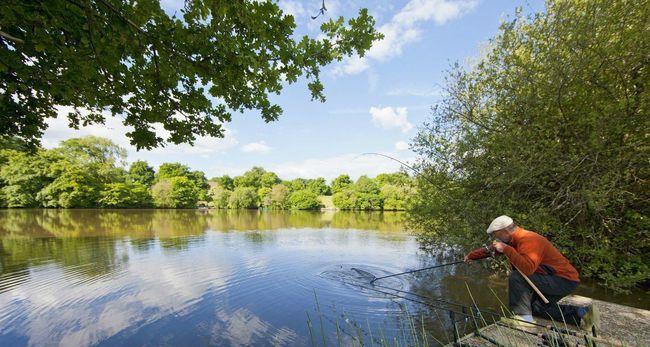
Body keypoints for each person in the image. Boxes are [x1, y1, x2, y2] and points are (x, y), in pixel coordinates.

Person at [464, 215, 599, 331]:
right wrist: (471, 256)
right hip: (554, 279)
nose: (494, 237)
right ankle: (584, 313)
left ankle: (523, 319)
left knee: (516, 276)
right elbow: (492, 249)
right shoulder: (511, 240)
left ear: (505, 231)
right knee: (537, 309)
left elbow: (527, 269)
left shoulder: (529, 240)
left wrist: (506, 249)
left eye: (495, 233)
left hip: (563, 280)